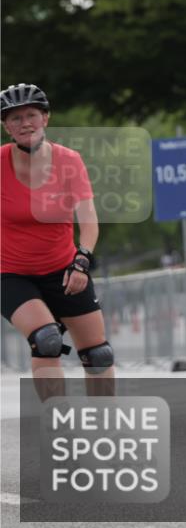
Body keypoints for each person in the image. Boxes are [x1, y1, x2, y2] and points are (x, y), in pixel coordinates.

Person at [1, 84, 114, 399]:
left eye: (31, 115)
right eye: (15, 118)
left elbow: (88, 219)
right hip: (11, 273)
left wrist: (82, 261)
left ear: (45, 118)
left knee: (98, 354)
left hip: (64, 268)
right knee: (46, 339)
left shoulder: (69, 161)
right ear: (6, 126)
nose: (25, 123)